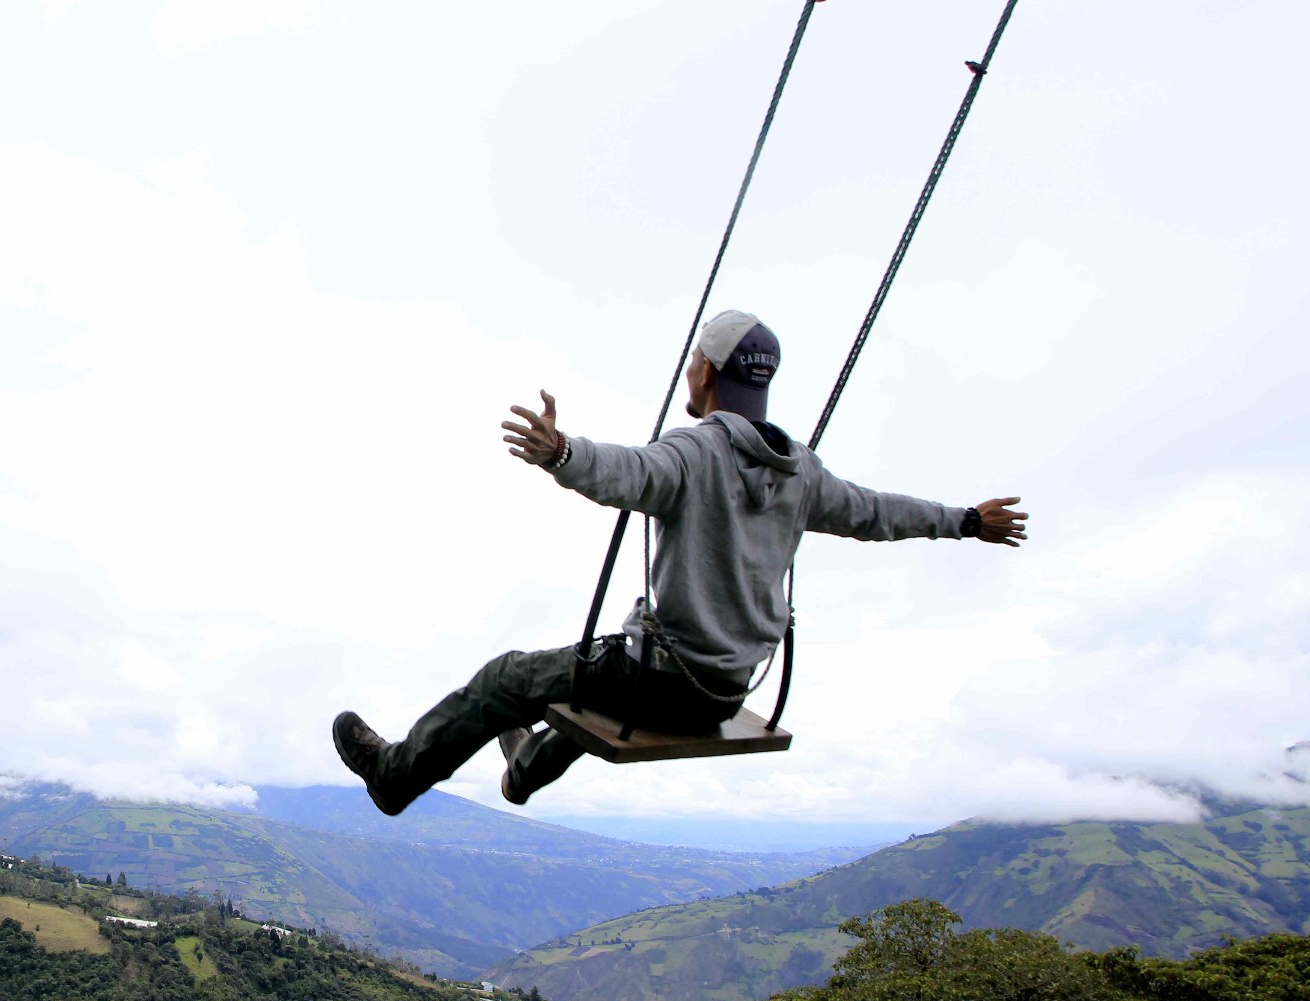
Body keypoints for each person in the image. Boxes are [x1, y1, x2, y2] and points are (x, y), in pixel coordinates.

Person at [332, 310, 1027, 815]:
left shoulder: (695, 453)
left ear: (703, 371)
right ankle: (523, 770)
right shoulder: (803, 474)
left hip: (661, 682)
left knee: (508, 677)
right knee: (595, 673)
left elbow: (629, 473)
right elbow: (879, 512)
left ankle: (395, 777)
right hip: (726, 689)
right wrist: (965, 521)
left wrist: (563, 452)